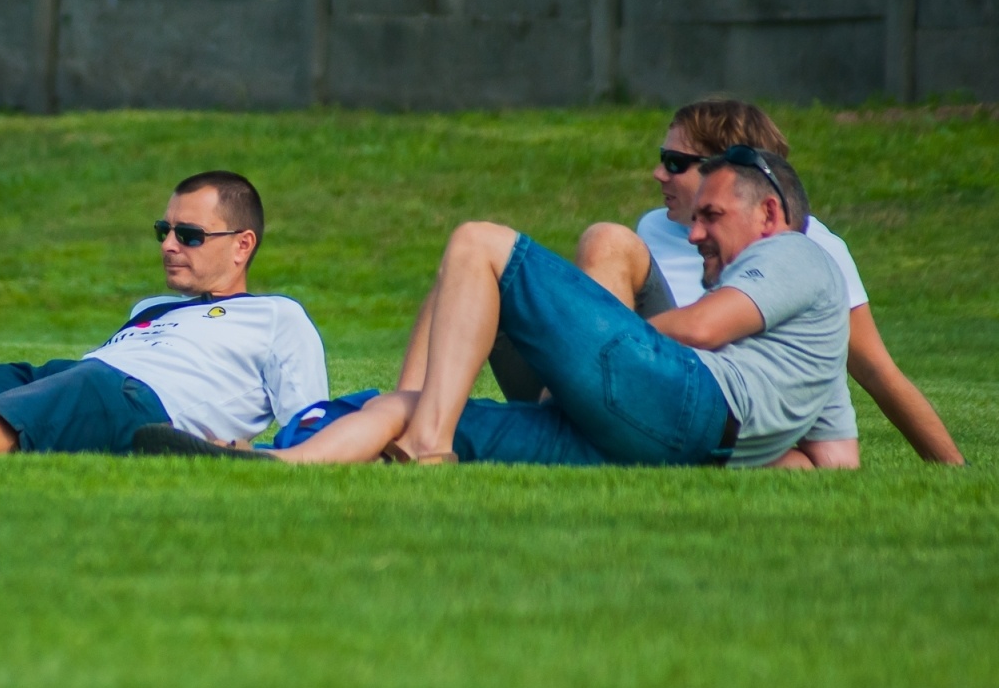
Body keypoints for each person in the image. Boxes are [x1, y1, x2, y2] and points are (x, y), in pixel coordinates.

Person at [269, 148, 849, 468]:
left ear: (770, 214)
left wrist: (594, 336)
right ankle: (278, 464)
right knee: (406, 406)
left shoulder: (797, 253)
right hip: (648, 446)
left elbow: (700, 328)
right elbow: (835, 466)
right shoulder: (811, 342)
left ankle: (426, 448)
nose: (695, 234)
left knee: (478, 243)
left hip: (679, 406)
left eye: (711, 217)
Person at [0, 171, 329, 455]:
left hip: (138, 402)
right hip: (81, 374)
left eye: (188, 235)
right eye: (164, 231)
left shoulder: (278, 317)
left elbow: (311, 427)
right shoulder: (154, 306)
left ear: (242, 245)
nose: (168, 245)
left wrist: (235, 448)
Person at [577, 99, 962, 466]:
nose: (659, 174)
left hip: (729, 403)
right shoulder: (653, 227)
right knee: (607, 241)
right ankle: (581, 401)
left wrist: (952, 467)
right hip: (655, 378)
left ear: (728, 172)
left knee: (825, 463)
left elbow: (877, 371)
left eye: (675, 163)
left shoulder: (812, 251)